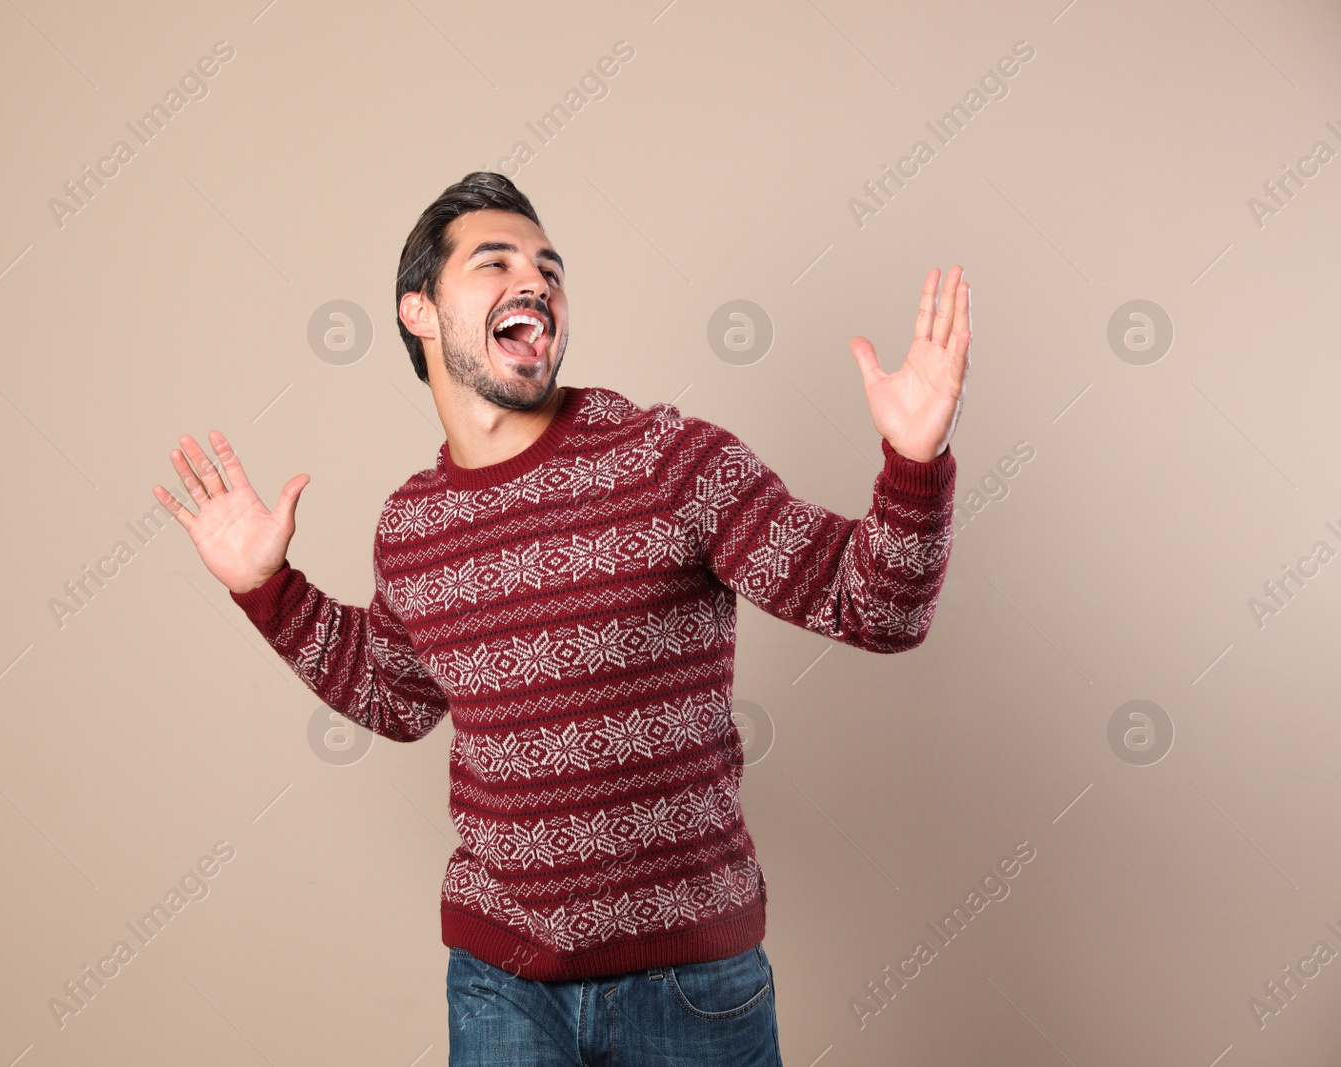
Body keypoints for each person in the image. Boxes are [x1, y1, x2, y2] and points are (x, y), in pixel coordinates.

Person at [154, 171, 970, 1066]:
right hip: (500, 980)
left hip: (691, 986)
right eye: (494, 261)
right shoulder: (413, 524)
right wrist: (269, 590)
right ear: (419, 311)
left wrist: (913, 459)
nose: (534, 281)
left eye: (549, 266)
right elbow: (397, 698)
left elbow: (877, 606)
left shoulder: (668, 458)